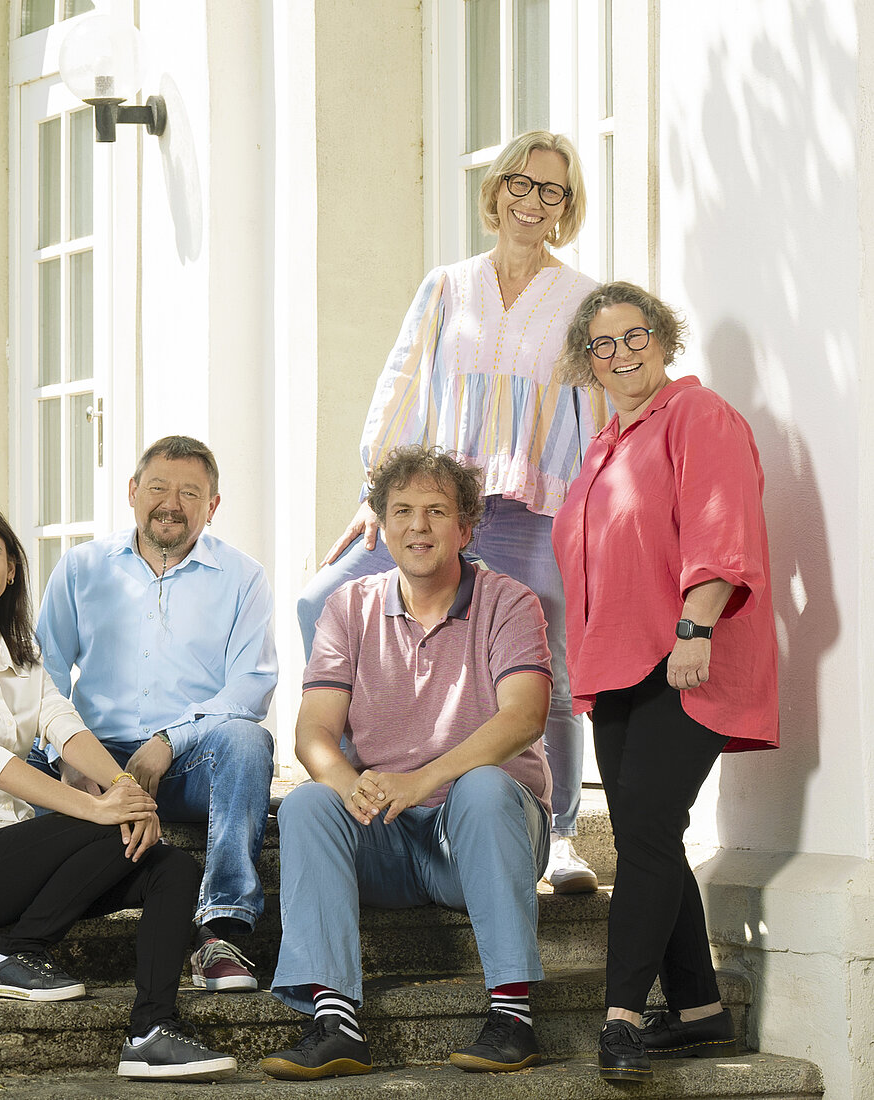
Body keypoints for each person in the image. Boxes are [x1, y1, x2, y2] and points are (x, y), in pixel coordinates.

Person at [296, 131, 609, 894]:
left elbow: (592, 414)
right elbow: (401, 384)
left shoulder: (581, 299)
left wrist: (591, 521)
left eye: (552, 191)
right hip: (437, 506)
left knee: (552, 671)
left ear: (566, 209)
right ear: (496, 189)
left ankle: (561, 833)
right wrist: (380, 495)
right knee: (320, 598)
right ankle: (367, 774)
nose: (532, 201)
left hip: (533, 508)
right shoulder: (446, 285)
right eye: (520, 184)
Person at [0, 498, 237, 1081]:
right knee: (104, 825)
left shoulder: (21, 653)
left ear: (10, 570)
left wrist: (128, 790)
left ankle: (151, 1031)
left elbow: (65, 726)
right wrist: (99, 807)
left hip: (26, 858)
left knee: (171, 869)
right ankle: (17, 952)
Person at [262, 446, 554, 1080]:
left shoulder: (511, 603)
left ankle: (512, 1018)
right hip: (388, 838)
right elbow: (313, 730)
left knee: (481, 787)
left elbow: (524, 717)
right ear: (382, 524)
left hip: (480, 836)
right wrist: (349, 783)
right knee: (311, 801)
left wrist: (424, 779)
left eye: (436, 511)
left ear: (466, 527)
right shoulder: (349, 607)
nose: (417, 526)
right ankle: (334, 1022)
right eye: (402, 511)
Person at [551, 282, 779, 1082]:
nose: (621, 354)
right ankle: (700, 1010)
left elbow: (723, 524)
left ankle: (619, 1017)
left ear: (663, 337)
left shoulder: (695, 413)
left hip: (686, 655)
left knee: (643, 835)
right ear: (589, 363)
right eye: (602, 345)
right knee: (652, 831)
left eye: (634, 334)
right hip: (618, 667)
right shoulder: (602, 446)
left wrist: (696, 624)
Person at [32, 435, 278, 993]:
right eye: (159, 487)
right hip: (96, 757)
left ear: (212, 506)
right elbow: (41, 673)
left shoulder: (244, 578)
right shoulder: (81, 568)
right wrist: (67, 752)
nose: (172, 503)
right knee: (23, 752)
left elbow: (251, 687)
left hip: (190, 765)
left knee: (247, 742)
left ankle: (222, 932)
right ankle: (34, 938)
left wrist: (172, 738)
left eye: (190, 492)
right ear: (132, 492)